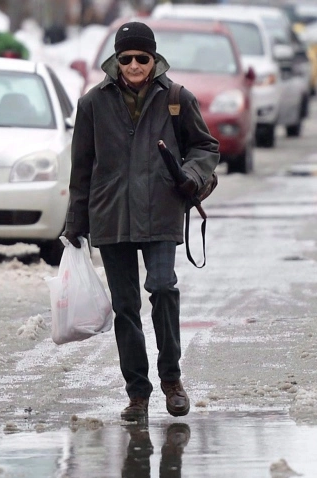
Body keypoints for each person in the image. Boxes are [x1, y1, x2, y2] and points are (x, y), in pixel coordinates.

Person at [63, 22, 219, 422]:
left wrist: (191, 176)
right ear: (116, 59)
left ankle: (172, 380)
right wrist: (75, 222)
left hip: (161, 208)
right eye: (126, 58)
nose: (133, 65)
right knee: (127, 307)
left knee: (163, 287)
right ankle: (137, 393)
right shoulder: (92, 104)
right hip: (111, 214)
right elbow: (81, 168)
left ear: (154, 59)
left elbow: (205, 147)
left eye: (141, 58)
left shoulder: (177, 99)